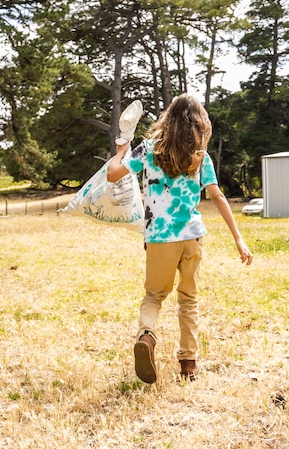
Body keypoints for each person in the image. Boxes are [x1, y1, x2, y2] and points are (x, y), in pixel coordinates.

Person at [107, 94, 253, 384]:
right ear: (201, 124)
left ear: (168, 120)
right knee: (189, 300)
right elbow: (218, 196)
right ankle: (189, 364)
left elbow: (113, 174)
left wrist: (122, 148)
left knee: (154, 296)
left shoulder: (148, 150)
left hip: (160, 239)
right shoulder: (200, 155)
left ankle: (146, 337)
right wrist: (238, 239)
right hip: (192, 237)